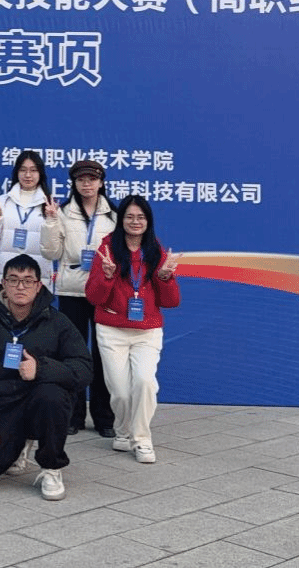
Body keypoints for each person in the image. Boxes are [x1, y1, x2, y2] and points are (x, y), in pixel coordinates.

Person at [0, 254, 91, 501]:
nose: (20, 287)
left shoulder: (58, 322)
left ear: (39, 286)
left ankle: (51, 467)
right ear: (3, 284)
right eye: (14, 280)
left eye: (28, 281)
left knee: (52, 394)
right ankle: (20, 444)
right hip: (4, 406)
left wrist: (41, 369)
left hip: (40, 401)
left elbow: (83, 369)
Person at [85, 194, 181, 464]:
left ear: (148, 221)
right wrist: (106, 276)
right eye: (129, 216)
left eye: (140, 217)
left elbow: (171, 301)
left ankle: (141, 439)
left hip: (146, 331)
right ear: (121, 220)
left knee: (145, 383)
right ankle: (123, 430)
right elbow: (93, 297)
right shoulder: (107, 250)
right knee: (120, 391)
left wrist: (165, 277)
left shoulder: (156, 252)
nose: (135, 221)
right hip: (112, 329)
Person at [40, 159, 117, 438]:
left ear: (101, 182)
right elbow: (50, 252)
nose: (87, 184)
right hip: (71, 290)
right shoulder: (62, 212)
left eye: (92, 179)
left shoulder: (113, 215)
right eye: (81, 179)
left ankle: (104, 417)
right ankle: (73, 415)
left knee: (103, 353)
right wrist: (50, 222)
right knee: (72, 354)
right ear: (74, 183)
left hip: (104, 291)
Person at [0, 149, 62, 293]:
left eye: (33, 170)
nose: (28, 175)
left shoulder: (50, 206)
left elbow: (54, 251)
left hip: (38, 280)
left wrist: (52, 219)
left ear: (40, 173)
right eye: (23, 170)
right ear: (17, 172)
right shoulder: (2, 202)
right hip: (6, 278)